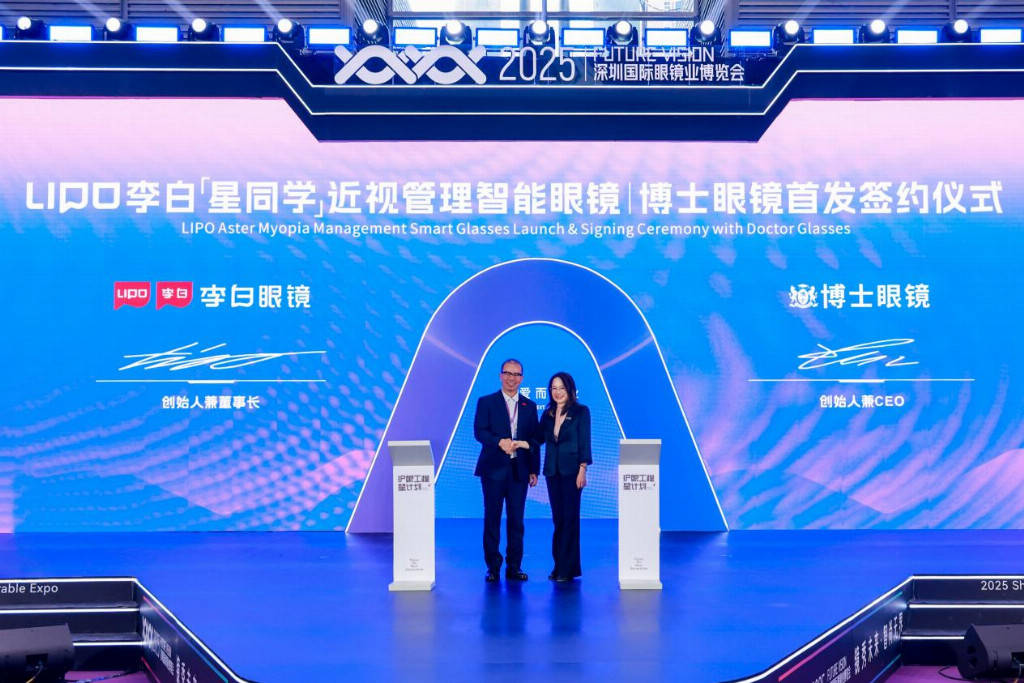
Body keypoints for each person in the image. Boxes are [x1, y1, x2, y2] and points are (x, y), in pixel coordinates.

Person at [473, 358, 539, 582]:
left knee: (516, 520)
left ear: (522, 378)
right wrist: (498, 441)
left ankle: (514, 567)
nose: (512, 378)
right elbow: (479, 432)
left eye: (517, 374)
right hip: (493, 470)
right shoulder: (486, 402)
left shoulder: (529, 406)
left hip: (519, 471)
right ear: (501, 375)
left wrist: (534, 469)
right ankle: (493, 567)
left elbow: (534, 440)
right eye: (508, 373)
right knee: (492, 518)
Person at [539, 371, 591, 582]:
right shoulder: (547, 414)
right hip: (552, 472)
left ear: (569, 389)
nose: (557, 392)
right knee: (558, 520)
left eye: (561, 388)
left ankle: (568, 569)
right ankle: (559, 564)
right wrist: (520, 442)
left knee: (570, 519)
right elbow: (537, 439)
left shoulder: (581, 412)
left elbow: (584, 442)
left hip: (572, 473)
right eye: (554, 388)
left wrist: (583, 469)